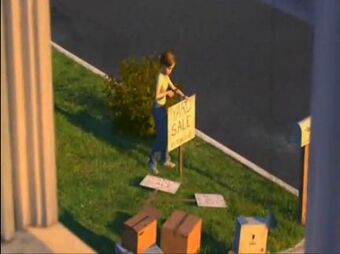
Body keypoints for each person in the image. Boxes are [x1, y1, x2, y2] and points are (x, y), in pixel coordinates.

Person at [148, 51, 187, 174]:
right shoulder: (160, 76)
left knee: (167, 134)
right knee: (161, 137)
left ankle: (165, 159)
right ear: (163, 66)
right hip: (158, 108)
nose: (170, 71)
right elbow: (156, 96)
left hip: (163, 107)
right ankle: (152, 162)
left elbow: (173, 87)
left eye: (172, 69)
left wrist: (180, 94)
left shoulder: (166, 76)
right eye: (169, 68)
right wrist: (167, 93)